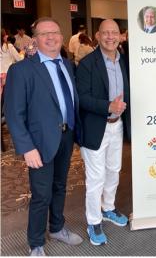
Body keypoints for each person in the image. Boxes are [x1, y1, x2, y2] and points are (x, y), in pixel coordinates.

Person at [4, 17, 83, 255]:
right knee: (41, 194)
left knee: (60, 186)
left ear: (61, 35)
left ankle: (57, 228)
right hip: (38, 143)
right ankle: (36, 243)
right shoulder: (21, 69)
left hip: (66, 137)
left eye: (55, 32)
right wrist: (26, 148)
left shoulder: (68, 65)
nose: (51, 37)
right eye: (44, 34)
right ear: (35, 40)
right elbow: (14, 113)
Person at [76, 19, 130, 246]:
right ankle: (93, 220)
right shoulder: (87, 63)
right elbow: (82, 98)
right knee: (96, 177)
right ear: (97, 36)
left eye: (114, 33)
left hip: (117, 125)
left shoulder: (124, 60)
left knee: (114, 170)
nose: (110, 37)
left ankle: (108, 208)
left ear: (120, 36)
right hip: (95, 128)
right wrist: (108, 106)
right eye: (106, 33)